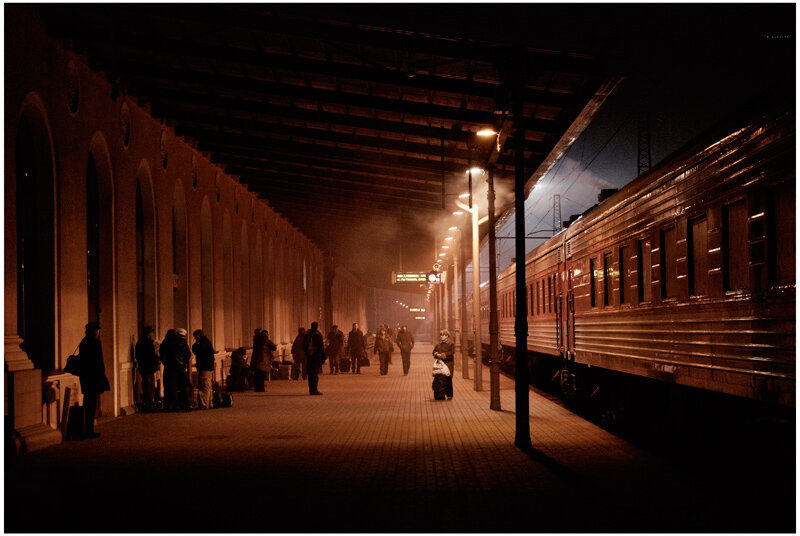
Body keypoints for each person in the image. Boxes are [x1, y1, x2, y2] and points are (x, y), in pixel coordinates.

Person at [78, 322, 111, 438]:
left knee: (88, 402)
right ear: (95, 331)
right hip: (94, 377)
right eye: (97, 330)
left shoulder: (83, 342)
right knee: (91, 404)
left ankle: (87, 428)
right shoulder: (95, 343)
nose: (98, 332)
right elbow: (98, 362)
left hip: (86, 377)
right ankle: (89, 430)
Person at [134, 325, 159, 412]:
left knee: (146, 386)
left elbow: (138, 356)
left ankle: (147, 404)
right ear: (148, 334)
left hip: (143, 367)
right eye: (152, 332)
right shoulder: (148, 343)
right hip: (148, 367)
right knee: (149, 387)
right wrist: (156, 363)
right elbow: (151, 356)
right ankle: (149, 405)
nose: (153, 334)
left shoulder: (140, 342)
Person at [192, 329, 215, 409]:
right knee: (208, 385)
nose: (195, 338)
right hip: (208, 367)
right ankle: (209, 403)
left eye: (195, 337)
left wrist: (195, 344)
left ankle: (204, 404)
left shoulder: (203, 344)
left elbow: (196, 351)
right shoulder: (207, 342)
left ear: (199, 335)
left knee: (204, 385)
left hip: (205, 367)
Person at [303, 321, 326, 395]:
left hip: (309, 356)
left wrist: (306, 353)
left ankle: (311, 389)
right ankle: (314, 390)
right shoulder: (318, 335)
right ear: (317, 327)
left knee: (310, 374)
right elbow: (321, 347)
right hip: (316, 356)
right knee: (315, 374)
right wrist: (323, 356)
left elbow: (303, 345)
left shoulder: (307, 335)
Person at [432, 329, 456, 400]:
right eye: (441, 335)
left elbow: (451, 353)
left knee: (448, 379)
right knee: (439, 378)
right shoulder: (439, 344)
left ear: (447, 336)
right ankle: (440, 395)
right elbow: (434, 351)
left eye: (443, 335)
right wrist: (436, 354)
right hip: (440, 365)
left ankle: (449, 395)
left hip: (448, 364)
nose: (441, 336)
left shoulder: (451, 344)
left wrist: (442, 355)